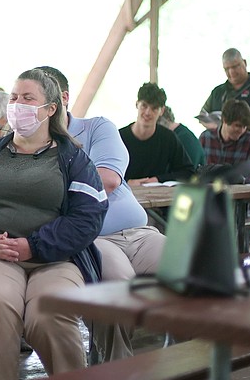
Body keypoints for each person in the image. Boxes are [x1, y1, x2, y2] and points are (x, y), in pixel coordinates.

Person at [0, 68, 108, 379]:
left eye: (27, 98)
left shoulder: (73, 159)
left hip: (55, 260)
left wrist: (32, 246)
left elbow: (87, 218)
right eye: (14, 97)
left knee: (50, 314)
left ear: (50, 109)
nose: (17, 104)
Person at [40, 65, 165, 361]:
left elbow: (107, 179)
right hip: (94, 239)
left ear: (64, 98)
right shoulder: (30, 144)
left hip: (140, 232)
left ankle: (193, 362)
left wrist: (48, 184)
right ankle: (116, 367)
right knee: (117, 291)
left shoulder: (97, 126)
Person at [119, 83, 194, 185]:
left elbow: (188, 172)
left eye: (154, 108)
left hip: (158, 197)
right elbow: (103, 173)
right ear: (137, 104)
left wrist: (158, 179)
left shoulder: (168, 138)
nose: (148, 112)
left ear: (162, 111)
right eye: (144, 106)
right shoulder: (119, 138)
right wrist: (128, 182)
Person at [200, 48, 250, 149]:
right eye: (227, 69)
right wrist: (220, 128)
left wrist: (238, 126)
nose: (231, 72)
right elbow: (203, 115)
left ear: (244, 63)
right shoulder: (218, 91)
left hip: (248, 150)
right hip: (217, 151)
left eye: (235, 66)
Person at [199, 99, 250, 184]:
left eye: (244, 127)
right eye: (238, 125)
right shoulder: (205, 138)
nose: (241, 130)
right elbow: (197, 170)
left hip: (240, 194)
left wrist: (239, 180)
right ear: (225, 120)